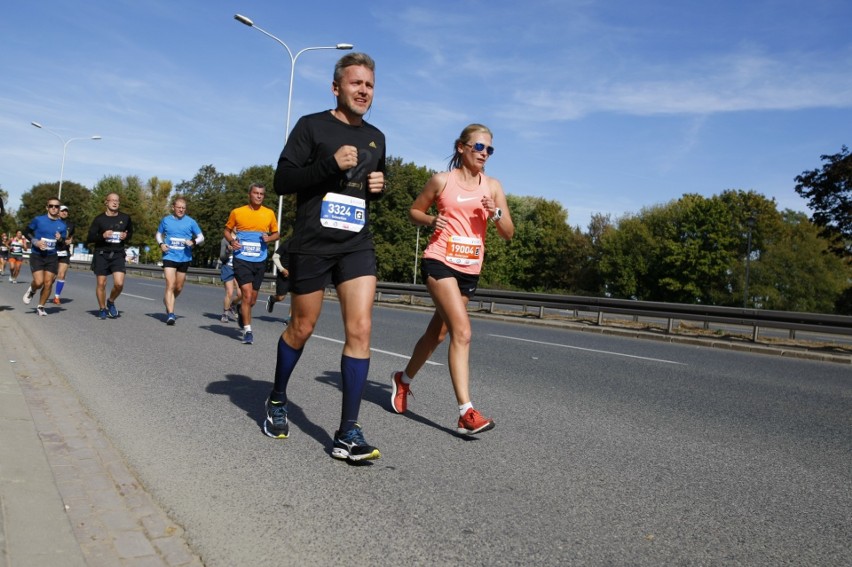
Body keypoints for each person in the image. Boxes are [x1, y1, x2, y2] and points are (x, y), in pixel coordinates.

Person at [264, 52, 385, 462]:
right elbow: (283, 180)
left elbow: (361, 190)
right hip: (313, 244)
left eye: (369, 84)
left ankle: (347, 431)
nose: (363, 90)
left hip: (356, 244)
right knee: (302, 327)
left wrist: (377, 188)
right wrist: (328, 164)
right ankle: (277, 399)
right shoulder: (311, 126)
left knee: (362, 329)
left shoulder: (376, 137)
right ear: (337, 87)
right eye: (356, 83)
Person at [390, 123, 514, 435]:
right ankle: (466, 412)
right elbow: (413, 212)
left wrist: (495, 214)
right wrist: (432, 219)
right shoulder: (442, 181)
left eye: (490, 149)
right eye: (479, 147)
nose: (485, 154)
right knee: (463, 332)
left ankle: (402, 380)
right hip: (440, 261)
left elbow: (509, 233)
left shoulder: (493, 187)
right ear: (462, 147)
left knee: (438, 334)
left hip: (469, 269)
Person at [223, 183, 279, 344]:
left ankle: (241, 309)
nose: (259, 196)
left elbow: (277, 234)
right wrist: (232, 241)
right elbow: (226, 230)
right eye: (256, 193)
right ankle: (248, 331)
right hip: (242, 259)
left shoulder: (269, 213)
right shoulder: (238, 212)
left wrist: (269, 238)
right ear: (250, 194)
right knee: (246, 295)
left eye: (262, 193)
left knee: (252, 300)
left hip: (259, 260)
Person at [155, 197, 204, 325]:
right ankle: (171, 314)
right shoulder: (166, 220)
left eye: (183, 208)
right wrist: (161, 244)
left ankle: (168, 299)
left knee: (179, 287)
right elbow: (158, 234)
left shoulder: (191, 222)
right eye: (179, 207)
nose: (181, 210)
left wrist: (193, 241)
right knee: (170, 285)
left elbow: (201, 237)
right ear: (173, 207)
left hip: (184, 257)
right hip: (169, 256)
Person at [87, 193, 134, 320]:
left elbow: (130, 233)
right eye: (112, 200)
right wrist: (102, 235)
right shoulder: (99, 219)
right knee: (101, 284)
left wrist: (126, 236)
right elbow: (90, 238)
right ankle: (102, 309)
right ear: (106, 202)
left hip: (118, 253)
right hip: (101, 253)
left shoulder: (125, 218)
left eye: (117, 201)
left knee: (119, 284)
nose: (114, 203)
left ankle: (111, 301)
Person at [22, 198, 67, 316]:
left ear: (59, 209)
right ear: (47, 207)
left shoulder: (62, 225)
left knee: (48, 283)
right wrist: (35, 242)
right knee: (39, 282)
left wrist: (60, 239)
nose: (53, 208)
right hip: (37, 255)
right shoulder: (38, 220)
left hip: (51, 256)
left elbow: (63, 244)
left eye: (56, 206)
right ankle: (32, 290)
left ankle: (41, 306)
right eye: (51, 206)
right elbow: (26, 232)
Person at [52, 205, 75, 304]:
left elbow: (71, 236)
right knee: (51, 277)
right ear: (58, 212)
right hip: (52, 251)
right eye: (62, 211)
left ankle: (57, 297)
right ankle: (46, 289)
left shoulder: (71, 224)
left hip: (64, 252)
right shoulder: (52, 222)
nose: (64, 213)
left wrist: (71, 240)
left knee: (61, 275)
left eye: (66, 211)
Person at [265, 240, 291, 324]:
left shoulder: (304, 246)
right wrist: (282, 269)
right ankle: (272, 299)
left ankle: (289, 318)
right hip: (284, 275)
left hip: (296, 276)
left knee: (295, 298)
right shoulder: (287, 244)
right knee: (280, 297)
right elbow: (275, 257)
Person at [218, 237, 242, 323]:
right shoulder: (225, 240)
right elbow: (222, 257)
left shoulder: (242, 238)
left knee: (241, 294)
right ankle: (225, 314)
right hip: (227, 268)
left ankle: (232, 305)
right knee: (230, 292)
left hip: (239, 268)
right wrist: (228, 251)